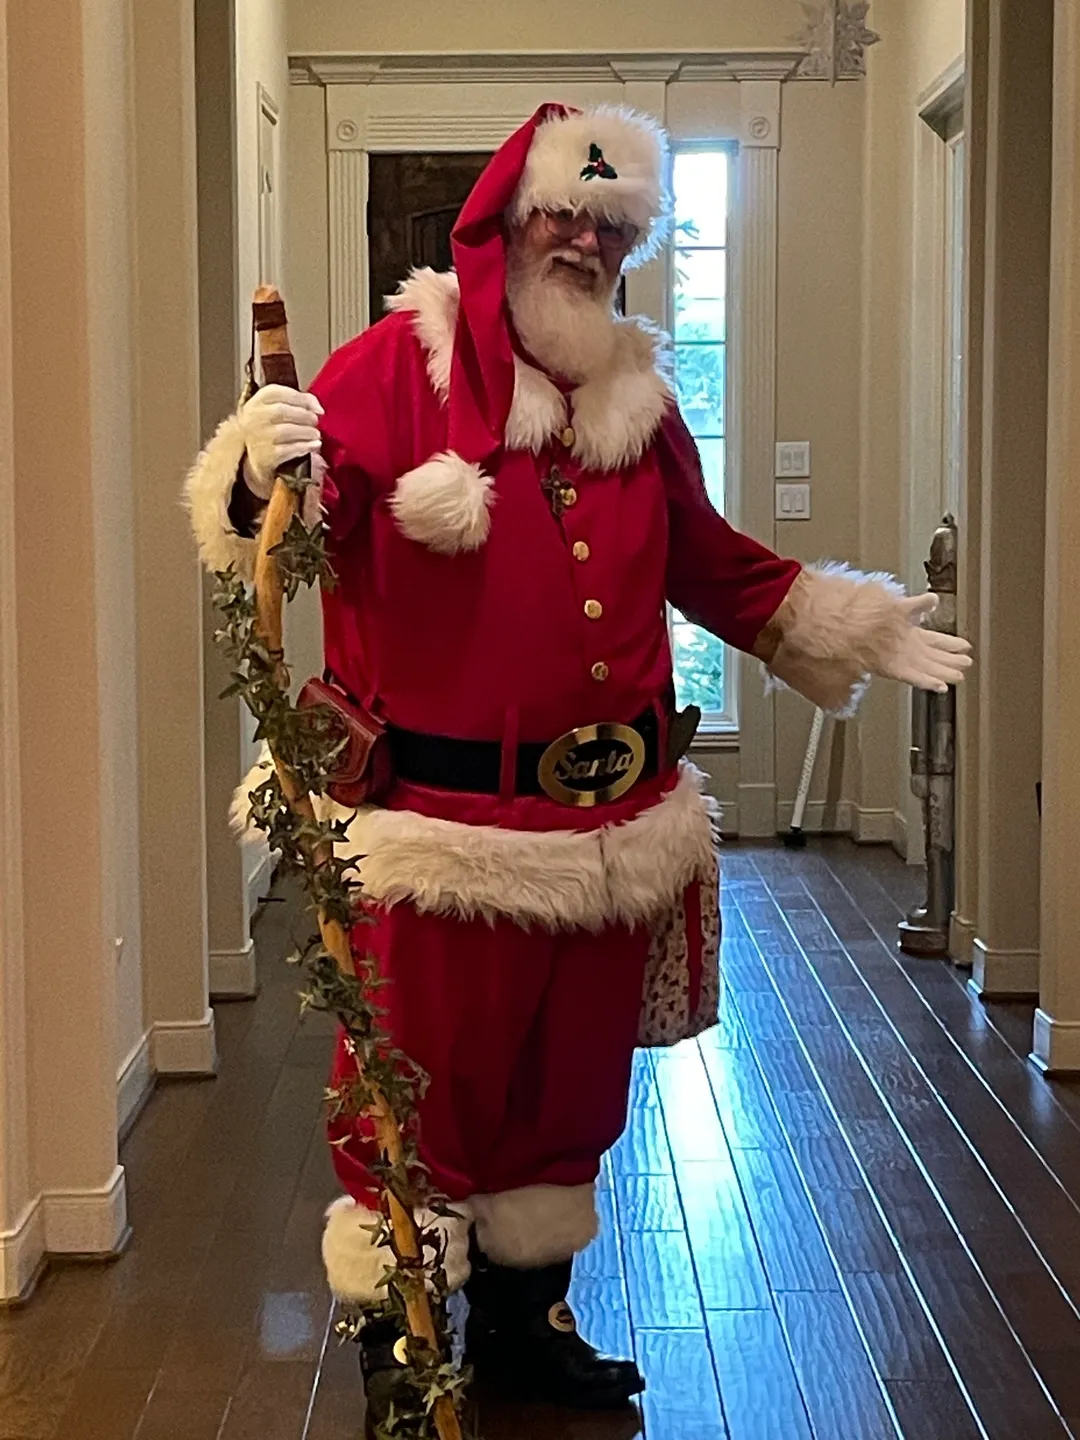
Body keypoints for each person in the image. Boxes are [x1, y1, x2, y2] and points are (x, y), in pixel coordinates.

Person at [184, 102, 971, 1426]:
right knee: (421, 1091)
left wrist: (853, 622)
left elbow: (711, 563)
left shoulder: (638, 403)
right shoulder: (396, 366)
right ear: (507, 223)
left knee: (564, 1088)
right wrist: (261, 478)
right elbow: (286, 536)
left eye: (614, 229)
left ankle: (522, 1315)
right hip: (439, 826)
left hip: (609, 827)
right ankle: (404, 1332)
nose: (589, 245)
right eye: (567, 217)